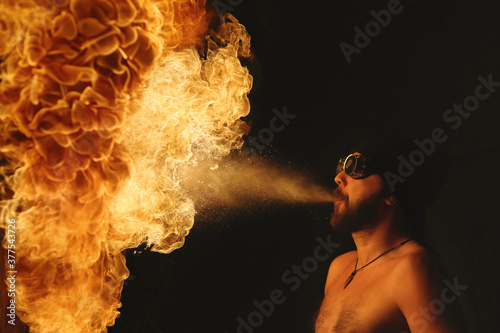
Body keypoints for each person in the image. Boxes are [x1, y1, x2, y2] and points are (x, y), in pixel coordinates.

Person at [314, 137, 467, 333]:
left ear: (393, 194)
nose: (339, 178)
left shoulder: (412, 269)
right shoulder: (339, 267)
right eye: (342, 167)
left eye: (358, 168)